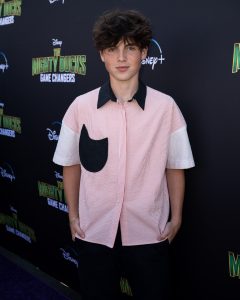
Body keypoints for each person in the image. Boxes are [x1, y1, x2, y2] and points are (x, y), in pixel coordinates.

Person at [53, 9, 195, 300]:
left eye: (129, 48)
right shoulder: (80, 107)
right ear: (101, 55)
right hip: (94, 231)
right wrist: (73, 216)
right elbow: (71, 164)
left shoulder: (166, 107)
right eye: (112, 49)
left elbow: (175, 166)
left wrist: (176, 218)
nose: (121, 58)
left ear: (144, 52)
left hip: (148, 232)